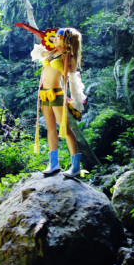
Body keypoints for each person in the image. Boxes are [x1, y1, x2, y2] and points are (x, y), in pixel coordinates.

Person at [31, 27, 86, 178]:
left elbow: (73, 80)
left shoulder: (69, 57)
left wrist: (76, 100)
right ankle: (53, 164)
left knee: (65, 129)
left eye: (58, 37)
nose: (54, 39)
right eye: (54, 37)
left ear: (66, 40)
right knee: (50, 129)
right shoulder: (50, 52)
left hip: (57, 94)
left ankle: (76, 166)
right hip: (44, 94)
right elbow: (38, 51)